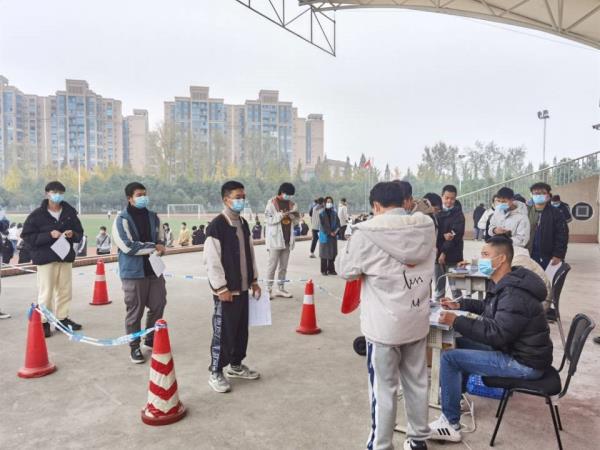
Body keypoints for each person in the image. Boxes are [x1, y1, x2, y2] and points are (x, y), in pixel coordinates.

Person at [339, 181, 435, 450]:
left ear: (376, 205)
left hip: (383, 326)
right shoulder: (426, 227)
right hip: (416, 318)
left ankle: (381, 444)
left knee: (383, 388)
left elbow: (346, 270)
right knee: (417, 383)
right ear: (405, 200)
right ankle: (418, 440)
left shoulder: (366, 232)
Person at [429, 236, 553, 443]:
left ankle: (450, 424)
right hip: (515, 349)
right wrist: (460, 305)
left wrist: (456, 321)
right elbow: (490, 309)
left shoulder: (513, 293)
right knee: (456, 341)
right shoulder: (506, 283)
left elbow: (496, 334)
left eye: (485, 255)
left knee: (449, 358)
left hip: (524, 363)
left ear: (501, 259)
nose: (481, 260)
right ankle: (455, 400)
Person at [204, 180, 261, 393]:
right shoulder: (217, 226)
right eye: (237, 197)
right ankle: (216, 372)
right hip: (227, 292)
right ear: (226, 199)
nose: (241, 201)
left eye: (243, 197)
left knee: (240, 331)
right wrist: (221, 288)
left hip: (243, 288)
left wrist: (254, 280)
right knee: (224, 333)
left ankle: (236, 365)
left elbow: (249, 253)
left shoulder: (243, 223)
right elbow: (211, 261)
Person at [113, 182, 167, 364]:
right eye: (139, 195)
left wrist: (160, 246)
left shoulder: (154, 217)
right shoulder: (121, 219)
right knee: (135, 311)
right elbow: (128, 247)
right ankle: (134, 346)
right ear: (130, 198)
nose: (143, 197)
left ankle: (150, 337)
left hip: (154, 270)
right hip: (133, 272)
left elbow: (161, 239)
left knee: (159, 304)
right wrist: (154, 246)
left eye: (145, 194)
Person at [21, 181, 84, 337]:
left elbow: (79, 233)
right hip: (46, 258)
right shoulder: (36, 215)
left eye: (60, 193)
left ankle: (62, 319)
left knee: (65, 290)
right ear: (46, 194)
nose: (57, 195)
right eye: (54, 192)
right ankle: (44, 322)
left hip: (65, 257)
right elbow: (27, 237)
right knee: (46, 291)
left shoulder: (70, 213)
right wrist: (48, 235)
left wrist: (73, 234)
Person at [264, 182, 300, 298]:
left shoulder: (292, 205)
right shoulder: (271, 203)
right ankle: (268, 289)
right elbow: (268, 219)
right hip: (275, 239)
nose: (289, 196)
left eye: (290, 195)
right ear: (282, 192)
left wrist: (292, 216)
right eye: (287, 194)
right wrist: (280, 216)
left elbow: (296, 221)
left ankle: (281, 288)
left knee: (283, 267)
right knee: (272, 266)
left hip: (287, 239)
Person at [526, 182, 568, 269]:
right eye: (536, 193)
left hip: (547, 255)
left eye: (543, 193)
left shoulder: (556, 213)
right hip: (528, 253)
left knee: (545, 276)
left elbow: (562, 235)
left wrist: (558, 255)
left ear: (548, 195)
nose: (539, 195)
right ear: (531, 195)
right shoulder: (525, 211)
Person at [434, 185, 465, 301]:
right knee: (439, 289)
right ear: (442, 196)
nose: (449, 201)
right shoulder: (436, 213)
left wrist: (444, 253)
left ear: (455, 198)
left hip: (453, 256)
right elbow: (434, 233)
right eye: (446, 198)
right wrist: (443, 235)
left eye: (452, 198)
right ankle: (439, 309)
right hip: (437, 257)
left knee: (455, 289)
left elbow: (454, 236)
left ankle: (459, 307)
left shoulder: (459, 215)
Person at [319, 196, 339, 276]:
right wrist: (329, 232)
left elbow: (338, 224)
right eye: (327, 202)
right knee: (324, 254)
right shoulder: (321, 214)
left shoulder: (334, 213)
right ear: (324, 203)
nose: (329, 203)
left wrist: (335, 232)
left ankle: (331, 269)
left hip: (333, 236)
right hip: (325, 235)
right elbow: (322, 225)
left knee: (332, 253)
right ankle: (323, 270)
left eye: (330, 202)